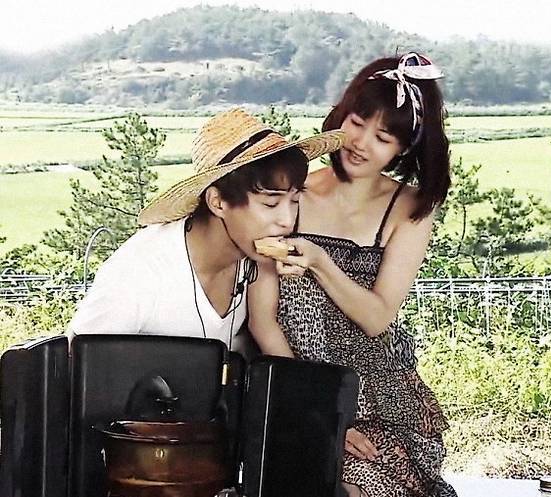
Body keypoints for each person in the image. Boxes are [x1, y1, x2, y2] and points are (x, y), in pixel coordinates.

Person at [248, 53, 456, 497]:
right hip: (299, 384)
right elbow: (263, 319)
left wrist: (321, 263)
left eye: (383, 137)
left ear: (403, 148)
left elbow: (378, 317)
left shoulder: (410, 208)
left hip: (381, 394)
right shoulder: (293, 194)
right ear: (340, 117)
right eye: (357, 123)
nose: (360, 143)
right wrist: (320, 412)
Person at [67, 107, 344, 359]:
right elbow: (76, 364)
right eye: (270, 204)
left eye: (294, 201)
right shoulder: (140, 271)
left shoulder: (256, 261)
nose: (287, 221)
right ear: (217, 202)